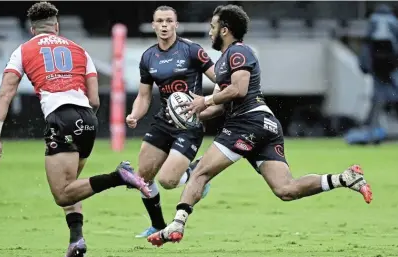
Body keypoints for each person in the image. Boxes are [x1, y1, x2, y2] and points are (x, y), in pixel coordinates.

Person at [147, 4, 373, 246]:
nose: (210, 32)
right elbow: (219, 106)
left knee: (200, 172)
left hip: (247, 122)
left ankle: (176, 226)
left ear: (225, 30)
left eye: (213, 27)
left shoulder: (239, 53)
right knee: (286, 189)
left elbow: (239, 89)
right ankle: (345, 178)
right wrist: (193, 113)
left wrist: (206, 99)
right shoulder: (224, 60)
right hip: (263, 124)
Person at [0, 2, 150, 257]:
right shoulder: (80, 50)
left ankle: (119, 176)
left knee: (62, 193)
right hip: (87, 120)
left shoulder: (24, 50)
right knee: (72, 186)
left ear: (31, 29)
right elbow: (95, 100)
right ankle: (77, 241)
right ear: (56, 27)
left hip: (61, 118)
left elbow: (6, 92)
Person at [125, 5, 220, 238]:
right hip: (164, 121)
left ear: (176, 25)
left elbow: (221, 78)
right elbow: (144, 95)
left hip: (189, 124)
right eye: (160, 21)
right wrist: (135, 115)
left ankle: (194, 174)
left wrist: (209, 103)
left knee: (168, 181)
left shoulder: (191, 50)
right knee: (142, 177)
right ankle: (157, 224)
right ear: (154, 25)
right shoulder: (148, 56)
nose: (165, 25)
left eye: (169, 21)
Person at [345, 4, 398, 145]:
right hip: (393, 69)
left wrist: (365, 67)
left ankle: (372, 131)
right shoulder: (393, 23)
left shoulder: (373, 24)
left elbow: (366, 47)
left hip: (377, 71)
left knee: (377, 101)